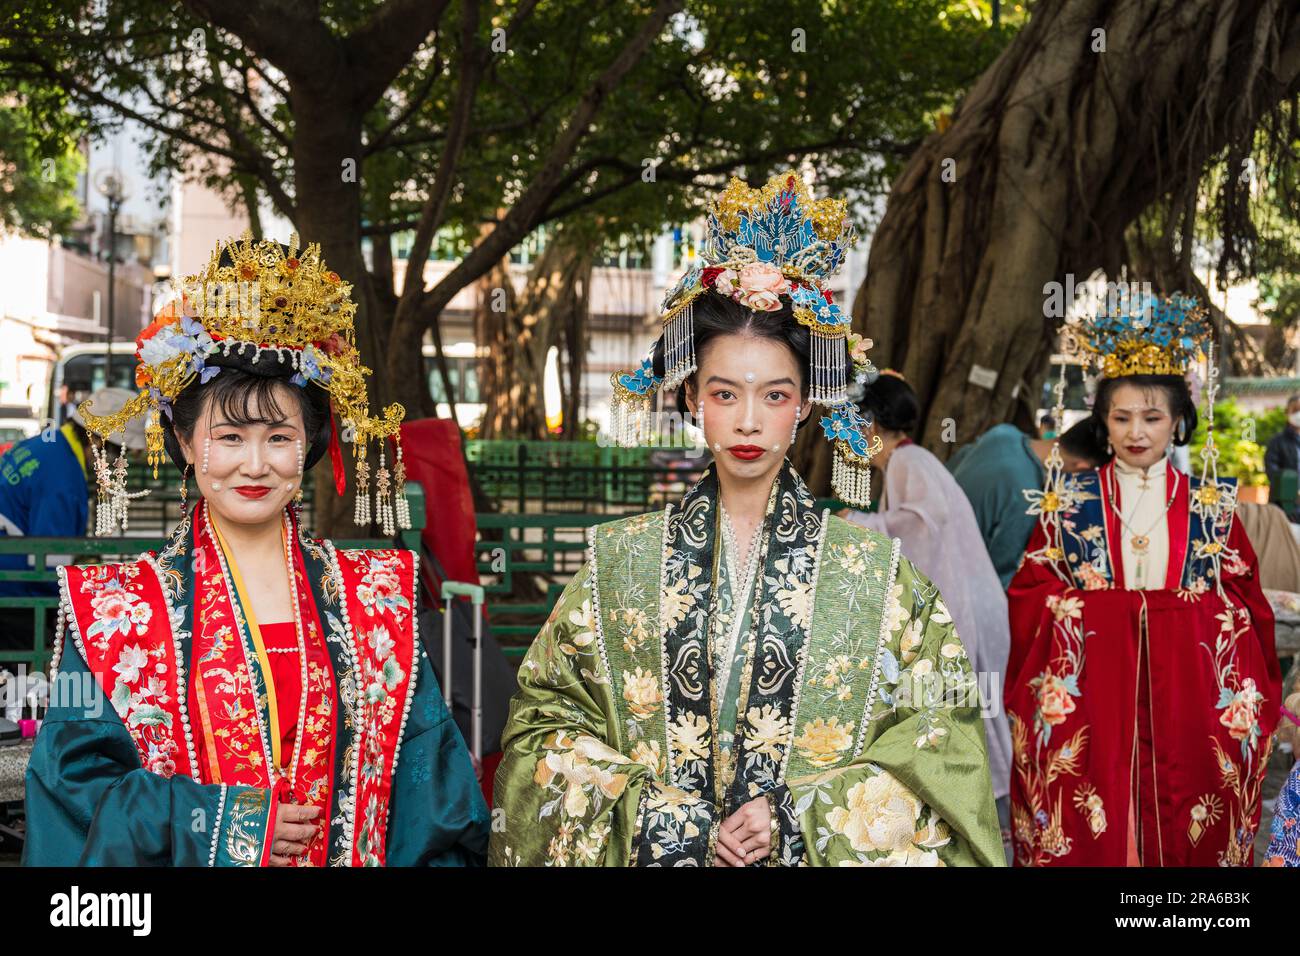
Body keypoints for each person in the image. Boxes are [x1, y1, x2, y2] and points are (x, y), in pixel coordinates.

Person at [488, 172, 1003, 867]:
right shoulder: (623, 565)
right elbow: (539, 730)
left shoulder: (876, 577)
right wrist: (667, 819)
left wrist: (798, 818)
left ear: (805, 407)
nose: (751, 421)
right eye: (725, 393)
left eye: (776, 394)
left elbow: (943, 743)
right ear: (693, 398)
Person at [23, 233, 490, 866]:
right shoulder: (114, 612)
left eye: (278, 436)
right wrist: (216, 825)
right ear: (187, 444)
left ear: (309, 447)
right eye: (229, 436)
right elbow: (71, 791)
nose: (254, 464)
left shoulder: (376, 597)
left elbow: (433, 793)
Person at [1006, 292, 1281, 866]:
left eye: (1153, 418)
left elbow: (1246, 604)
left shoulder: (1211, 505)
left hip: (1189, 697)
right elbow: (1032, 591)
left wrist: (1168, 616)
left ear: (1178, 421)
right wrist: (1116, 615)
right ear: (1102, 421)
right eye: (1122, 417)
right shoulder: (1070, 501)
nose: (1137, 432)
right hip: (1094, 700)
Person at [840, 372, 1012, 816]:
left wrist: (859, 524)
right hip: (972, 598)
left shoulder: (908, 463)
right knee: (969, 704)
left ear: (870, 424)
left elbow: (921, 524)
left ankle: (980, 809)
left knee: (965, 704)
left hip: (965, 606)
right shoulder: (909, 461)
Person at [948, 419, 1105, 588]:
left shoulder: (1003, 433)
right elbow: (999, 572)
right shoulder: (1028, 498)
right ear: (1082, 468)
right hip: (953, 578)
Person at [1264, 393, 1300, 521]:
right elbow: (1272, 471)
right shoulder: (1277, 442)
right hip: (1284, 507)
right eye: (1295, 410)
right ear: (1288, 413)